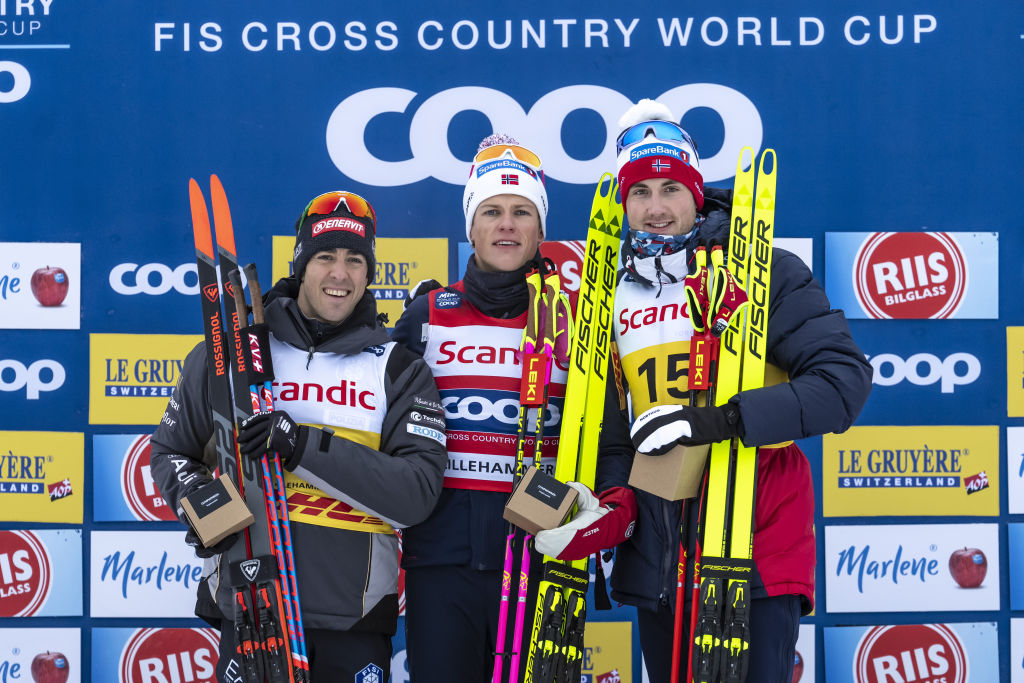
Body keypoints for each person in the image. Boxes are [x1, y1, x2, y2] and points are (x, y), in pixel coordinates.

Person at [535, 100, 873, 682]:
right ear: (621, 203)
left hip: (752, 545)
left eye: (671, 188)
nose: (656, 208)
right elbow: (620, 440)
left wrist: (717, 421)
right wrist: (612, 508)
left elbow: (843, 384)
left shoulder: (762, 271)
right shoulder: (608, 297)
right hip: (660, 565)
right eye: (639, 192)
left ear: (697, 193)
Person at [150, 191, 448, 680]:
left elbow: (415, 495)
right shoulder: (233, 355)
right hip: (250, 605)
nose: (340, 274)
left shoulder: (397, 370)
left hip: (353, 622)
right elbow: (170, 451)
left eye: (355, 260)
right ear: (301, 264)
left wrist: (303, 446)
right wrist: (200, 501)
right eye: (325, 257)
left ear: (369, 273)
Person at [391, 134, 571, 681]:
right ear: (470, 227)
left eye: (522, 212)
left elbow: (604, 437)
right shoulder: (426, 316)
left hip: (542, 555)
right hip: (442, 560)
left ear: (541, 229)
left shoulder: (575, 323)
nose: (507, 225)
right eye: (491, 211)